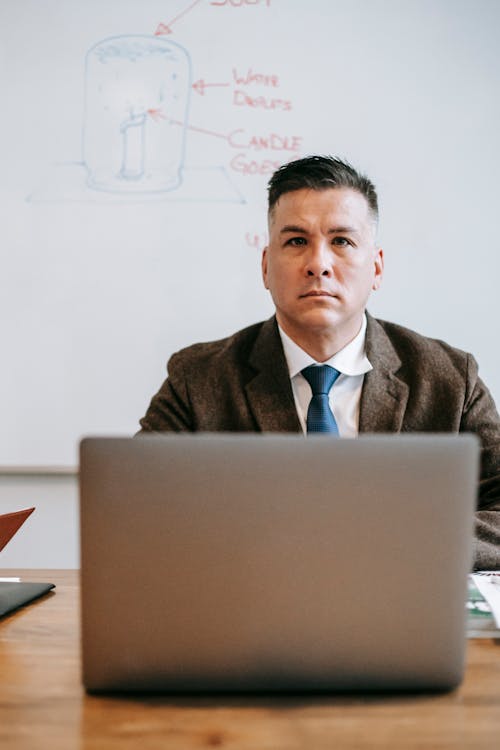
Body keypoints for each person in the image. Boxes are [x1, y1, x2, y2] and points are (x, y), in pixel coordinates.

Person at [139, 155, 500, 570]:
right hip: (252, 609)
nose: (318, 264)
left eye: (342, 241)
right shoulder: (197, 377)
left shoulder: (451, 379)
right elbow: (140, 508)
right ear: (265, 267)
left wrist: (389, 538)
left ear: (377, 266)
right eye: (296, 241)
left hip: (399, 608)